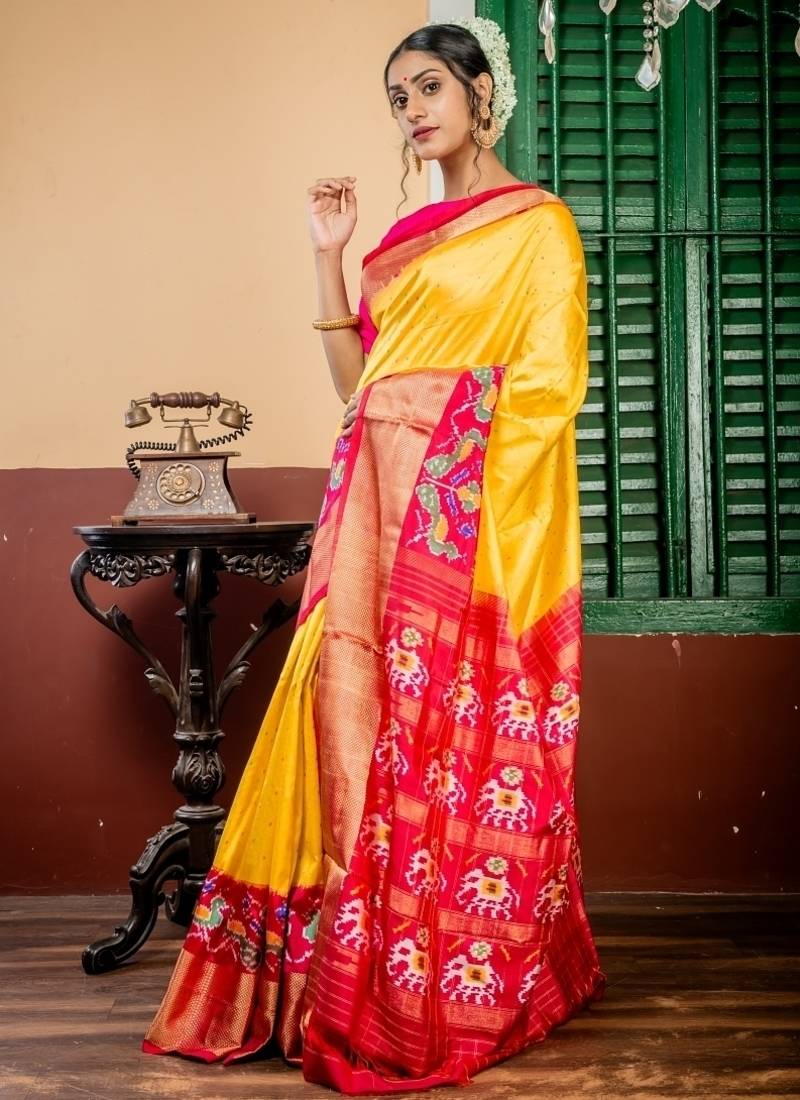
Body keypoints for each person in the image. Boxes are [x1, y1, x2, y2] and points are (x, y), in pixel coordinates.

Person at [143, 17, 607, 1094]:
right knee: (349, 712)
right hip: (373, 504)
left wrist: (425, 419)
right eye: (398, 95)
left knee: (444, 722)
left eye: (430, 86)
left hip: (458, 517)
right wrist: (328, 255)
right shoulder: (403, 243)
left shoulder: (537, 228)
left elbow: (548, 387)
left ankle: (449, 965)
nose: (412, 109)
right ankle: (353, 963)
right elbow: (360, 386)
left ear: (481, 92)